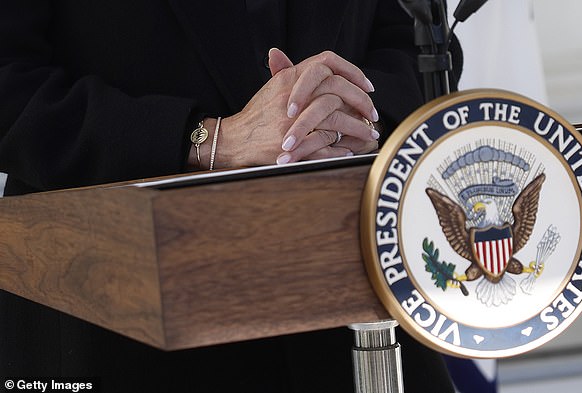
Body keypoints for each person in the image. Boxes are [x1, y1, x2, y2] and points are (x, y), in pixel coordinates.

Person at [0, 1, 460, 391]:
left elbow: (423, 40)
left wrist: (357, 115)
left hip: (361, 293)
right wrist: (206, 139)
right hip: (121, 318)